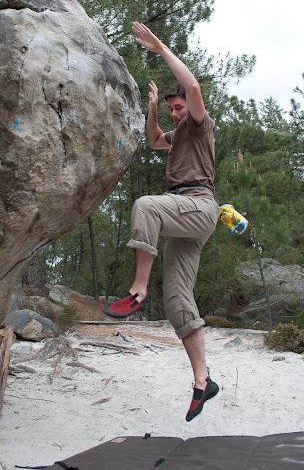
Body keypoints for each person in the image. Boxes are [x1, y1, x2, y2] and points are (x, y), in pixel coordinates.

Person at [104, 22, 220, 422]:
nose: (176, 113)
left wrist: (160, 48)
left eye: (178, 107)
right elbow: (154, 140)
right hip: (185, 216)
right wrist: (153, 106)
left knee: (146, 207)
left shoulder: (200, 125)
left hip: (198, 205)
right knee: (177, 300)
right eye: (172, 109)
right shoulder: (177, 134)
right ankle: (203, 380)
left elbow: (194, 87)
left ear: (189, 107)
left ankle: (137, 291)